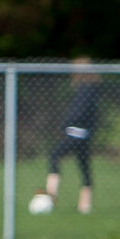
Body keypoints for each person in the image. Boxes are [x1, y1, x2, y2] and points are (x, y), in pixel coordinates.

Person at [43, 61, 101, 214]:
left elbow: (79, 113)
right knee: (84, 167)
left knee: (54, 155)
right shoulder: (90, 89)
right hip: (84, 134)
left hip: (75, 133)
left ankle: (51, 195)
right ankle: (85, 205)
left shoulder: (86, 90)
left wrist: (66, 124)